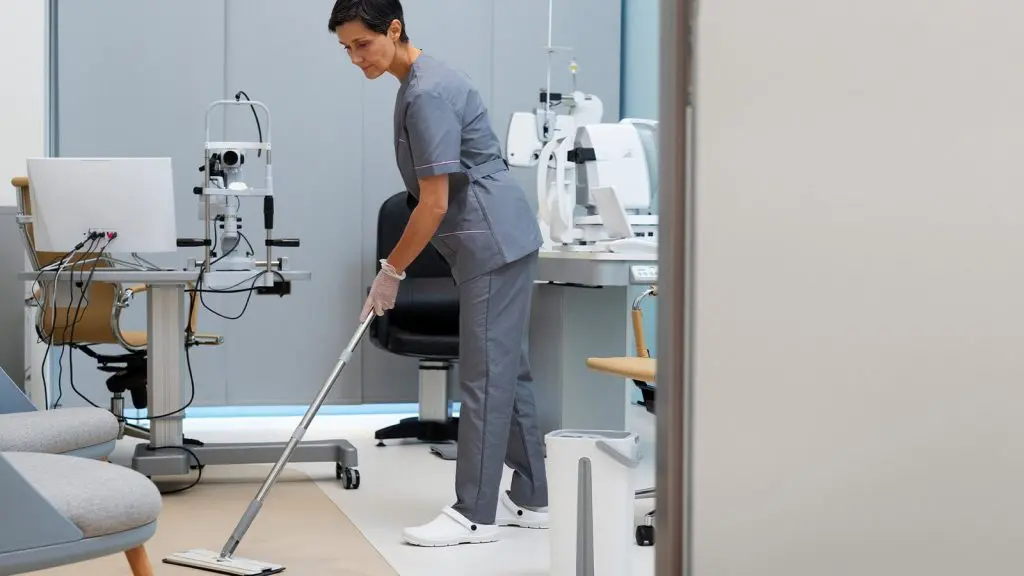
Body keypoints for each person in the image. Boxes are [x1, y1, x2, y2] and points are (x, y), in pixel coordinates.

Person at [328, 0, 550, 547]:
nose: (355, 58)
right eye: (346, 49)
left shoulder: (426, 91)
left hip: (491, 242)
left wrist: (391, 271)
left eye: (362, 44)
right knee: (507, 373)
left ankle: (475, 513)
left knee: (485, 377)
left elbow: (432, 202)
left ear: (394, 29)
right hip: (496, 237)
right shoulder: (422, 80)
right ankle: (532, 498)